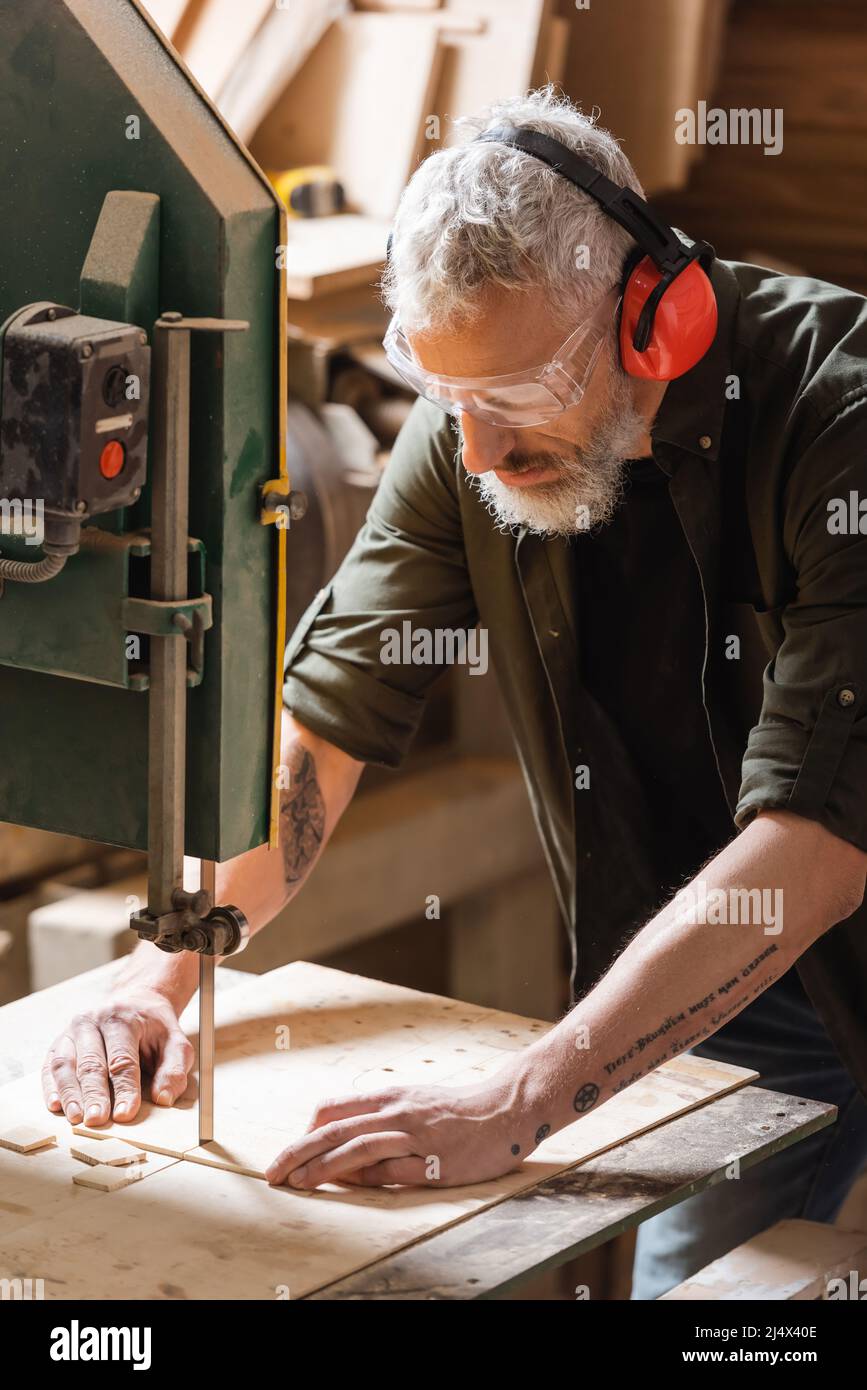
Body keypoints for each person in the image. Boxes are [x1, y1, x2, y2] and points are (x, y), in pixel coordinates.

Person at [42, 89, 867, 1298]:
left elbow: (822, 840)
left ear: (655, 319)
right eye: (449, 402)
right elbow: (328, 721)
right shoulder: (470, 429)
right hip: (733, 1003)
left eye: (519, 397)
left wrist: (523, 1095)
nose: (477, 455)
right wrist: (170, 960)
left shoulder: (839, 422)